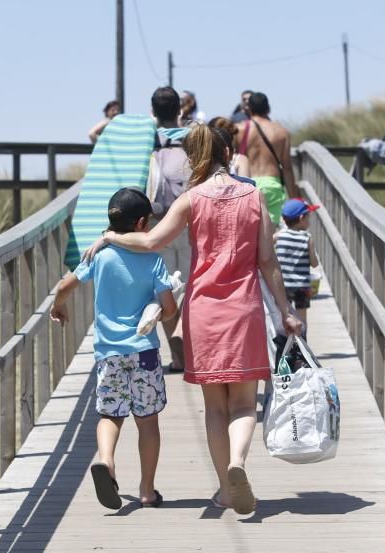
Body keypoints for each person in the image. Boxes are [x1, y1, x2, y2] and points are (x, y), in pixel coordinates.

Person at [83, 124, 303, 515]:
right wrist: (286, 311)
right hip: (243, 308)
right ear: (227, 152)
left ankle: (223, 487)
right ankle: (238, 463)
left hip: (203, 311)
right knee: (244, 405)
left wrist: (110, 236)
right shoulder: (253, 196)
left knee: (215, 408)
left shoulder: (191, 199)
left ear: (193, 158)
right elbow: (268, 261)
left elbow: (151, 242)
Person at [51, 188, 178, 510]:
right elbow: (170, 309)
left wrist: (58, 306)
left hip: (109, 353)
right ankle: (147, 491)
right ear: (141, 223)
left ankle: (106, 461)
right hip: (145, 352)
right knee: (147, 422)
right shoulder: (153, 260)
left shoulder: (100, 255)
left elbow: (65, 285)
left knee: (110, 414)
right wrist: (160, 308)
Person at [147, 86, 192, 373]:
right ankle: (191, 351)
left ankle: (178, 357)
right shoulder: (192, 139)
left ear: (153, 111)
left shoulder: (144, 141)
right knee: (191, 289)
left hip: (155, 225)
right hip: (189, 222)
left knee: (164, 290)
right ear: (180, 110)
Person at [239, 92, 300, 227]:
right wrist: (295, 198)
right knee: (270, 230)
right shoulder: (281, 132)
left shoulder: (240, 129)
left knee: (251, 229)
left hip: (248, 184)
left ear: (249, 109)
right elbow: (287, 168)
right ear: (268, 109)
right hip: (272, 184)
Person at [274, 198, 320, 328]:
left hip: (283, 285)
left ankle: (285, 343)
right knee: (301, 318)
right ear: (301, 218)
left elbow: (267, 246)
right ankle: (302, 342)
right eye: (308, 217)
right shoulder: (307, 238)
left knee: (284, 315)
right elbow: (314, 263)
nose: (309, 220)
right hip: (302, 286)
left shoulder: (279, 236)